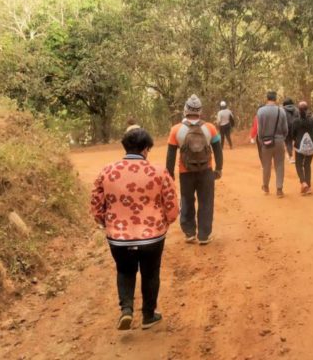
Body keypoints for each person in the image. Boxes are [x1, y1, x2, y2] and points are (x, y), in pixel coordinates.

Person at [91, 128, 179, 331]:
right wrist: (168, 220)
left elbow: (96, 202)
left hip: (118, 238)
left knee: (124, 271)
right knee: (150, 273)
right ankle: (149, 316)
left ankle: (127, 310)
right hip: (152, 237)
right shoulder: (158, 172)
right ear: (146, 148)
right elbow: (171, 203)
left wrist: (105, 222)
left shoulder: (107, 171)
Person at [166, 94, 223, 245]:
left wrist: (169, 174)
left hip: (185, 172)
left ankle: (189, 233)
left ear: (185, 110)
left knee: (187, 200)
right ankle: (204, 235)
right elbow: (218, 150)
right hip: (206, 171)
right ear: (200, 111)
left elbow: (170, 155)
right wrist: (219, 169)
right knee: (206, 201)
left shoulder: (176, 130)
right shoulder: (210, 128)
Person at [257, 91, 289, 198]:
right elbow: (285, 129)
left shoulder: (260, 111)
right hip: (279, 141)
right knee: (279, 164)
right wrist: (282, 138)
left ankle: (265, 186)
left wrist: (261, 140)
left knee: (266, 165)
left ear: (267, 98)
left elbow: (259, 129)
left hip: (266, 142)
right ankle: (279, 189)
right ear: (276, 99)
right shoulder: (281, 111)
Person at [291, 101, 313, 195]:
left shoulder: (295, 121)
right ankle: (308, 187)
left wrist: (297, 139)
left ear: (298, 110)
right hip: (311, 146)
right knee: (307, 165)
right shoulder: (312, 120)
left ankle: (303, 183)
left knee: (298, 164)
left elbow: (292, 135)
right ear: (308, 109)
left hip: (299, 146)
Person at [282, 98, 298, 164]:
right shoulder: (296, 109)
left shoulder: (282, 110)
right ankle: (300, 157)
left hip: (286, 128)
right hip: (295, 128)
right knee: (296, 142)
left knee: (288, 142)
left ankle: (291, 157)